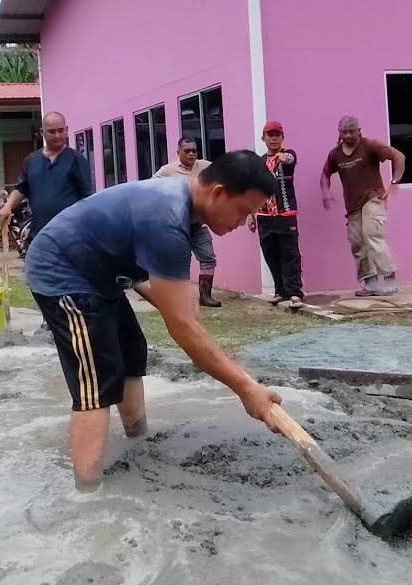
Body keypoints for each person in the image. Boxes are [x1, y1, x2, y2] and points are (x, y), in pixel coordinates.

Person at [24, 150, 284, 492]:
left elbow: (176, 305)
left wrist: (196, 331)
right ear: (218, 193)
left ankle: (137, 442)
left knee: (131, 351)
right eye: (243, 211)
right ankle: (88, 493)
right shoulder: (167, 219)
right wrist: (246, 389)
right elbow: (182, 326)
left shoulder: (184, 207)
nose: (243, 222)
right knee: (96, 378)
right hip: (62, 273)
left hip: (101, 273)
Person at [320, 115, 407, 297]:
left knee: (372, 236)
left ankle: (390, 279)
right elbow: (325, 174)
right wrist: (326, 192)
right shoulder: (335, 154)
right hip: (353, 206)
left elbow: (398, 156)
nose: (348, 135)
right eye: (344, 132)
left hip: (372, 199)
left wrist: (395, 181)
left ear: (359, 131)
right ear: (339, 133)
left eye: (352, 132)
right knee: (357, 243)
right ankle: (371, 283)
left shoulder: (370, 146)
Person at [0, 111, 92, 242]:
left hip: (70, 235)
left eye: (61, 130)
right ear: (42, 132)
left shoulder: (76, 160)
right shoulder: (31, 161)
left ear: (67, 130)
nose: (57, 135)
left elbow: (87, 197)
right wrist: (8, 206)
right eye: (52, 132)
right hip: (40, 234)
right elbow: (21, 189)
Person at [154, 137, 220, 307]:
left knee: (208, 258)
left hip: (198, 224)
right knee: (179, 262)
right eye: (187, 151)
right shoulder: (167, 171)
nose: (191, 154)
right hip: (176, 226)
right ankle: (178, 298)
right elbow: (151, 187)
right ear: (178, 152)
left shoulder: (205, 166)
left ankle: (205, 296)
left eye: (194, 150)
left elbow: (223, 174)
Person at [248, 121, 304, 307]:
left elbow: (290, 158)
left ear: (282, 137)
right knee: (271, 255)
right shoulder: (258, 162)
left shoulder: (289, 154)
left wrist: (283, 157)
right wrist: (251, 214)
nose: (273, 138)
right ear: (263, 138)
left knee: (291, 254)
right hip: (264, 217)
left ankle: (294, 292)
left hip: (285, 214)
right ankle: (280, 290)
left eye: (277, 135)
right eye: (270, 135)